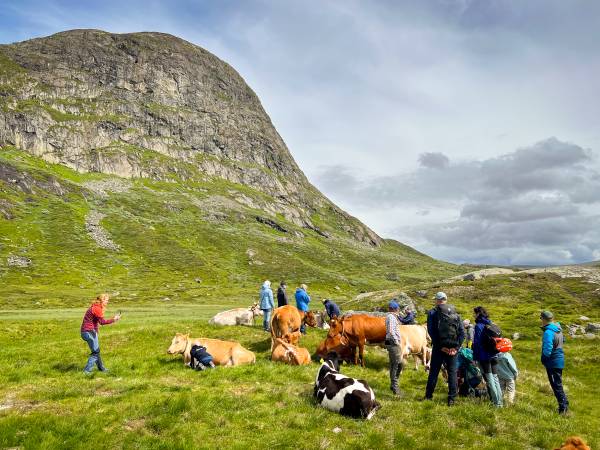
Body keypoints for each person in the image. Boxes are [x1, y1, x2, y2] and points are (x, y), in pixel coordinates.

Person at [424, 292, 465, 406]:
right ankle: (452, 399)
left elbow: (431, 331)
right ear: (445, 300)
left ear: (437, 300)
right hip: (453, 349)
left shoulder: (432, 313)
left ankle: (428, 396)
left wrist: (441, 347)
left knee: (434, 372)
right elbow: (462, 333)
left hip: (438, 348)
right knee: (452, 373)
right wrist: (456, 348)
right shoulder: (455, 313)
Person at [80, 293, 121, 374]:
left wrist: (96, 332)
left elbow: (94, 322)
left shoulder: (94, 307)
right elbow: (102, 322)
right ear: (102, 300)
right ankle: (86, 371)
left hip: (87, 332)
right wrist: (114, 319)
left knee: (96, 351)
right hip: (89, 332)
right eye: (106, 300)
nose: (107, 302)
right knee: (95, 352)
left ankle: (101, 368)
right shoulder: (97, 309)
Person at [472, 306, 503, 407]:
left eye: (475, 313)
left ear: (478, 314)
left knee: (489, 379)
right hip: (494, 354)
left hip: (484, 356)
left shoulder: (478, 326)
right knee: (495, 378)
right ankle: (500, 402)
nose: (474, 315)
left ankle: (496, 403)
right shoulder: (491, 323)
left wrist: (475, 358)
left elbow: (476, 343)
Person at [540, 310, 569, 414]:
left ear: (543, 319)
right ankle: (565, 404)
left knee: (556, 385)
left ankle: (563, 408)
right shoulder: (558, 329)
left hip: (553, 362)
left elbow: (547, 349)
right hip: (559, 359)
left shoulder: (548, 332)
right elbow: (563, 340)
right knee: (558, 384)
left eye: (541, 318)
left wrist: (544, 359)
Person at [385, 300, 403, 395]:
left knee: (393, 364)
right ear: (395, 309)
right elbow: (391, 331)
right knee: (398, 364)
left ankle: (393, 385)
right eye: (398, 309)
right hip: (393, 343)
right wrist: (397, 341)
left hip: (390, 342)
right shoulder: (391, 317)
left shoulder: (390, 317)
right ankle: (395, 388)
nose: (399, 310)